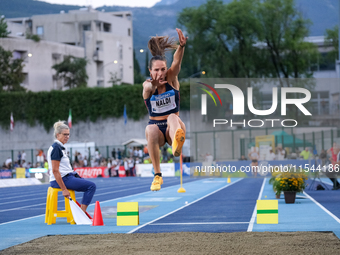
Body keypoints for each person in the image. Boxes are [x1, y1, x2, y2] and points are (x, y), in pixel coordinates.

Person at [143, 28, 187, 191]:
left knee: (172, 118)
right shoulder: (147, 86)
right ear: (150, 71)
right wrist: (151, 85)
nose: (160, 73)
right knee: (150, 129)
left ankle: (177, 143)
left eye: (163, 69)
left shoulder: (171, 79)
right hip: (159, 132)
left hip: (173, 128)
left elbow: (176, 63)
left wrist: (181, 47)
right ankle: (157, 176)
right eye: (156, 70)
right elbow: (147, 88)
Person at [47, 121, 96, 212]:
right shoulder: (56, 149)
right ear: (58, 135)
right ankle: (82, 212)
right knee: (91, 186)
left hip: (67, 177)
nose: (67, 137)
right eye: (65, 134)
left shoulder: (60, 147)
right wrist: (64, 189)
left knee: (87, 184)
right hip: (61, 179)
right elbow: (55, 171)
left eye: (68, 134)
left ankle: (81, 211)